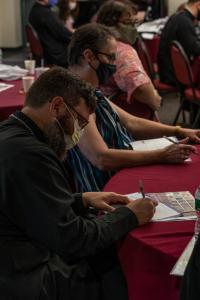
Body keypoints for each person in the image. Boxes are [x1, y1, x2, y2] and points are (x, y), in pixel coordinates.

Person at [0, 67, 157, 299]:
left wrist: (80, 200)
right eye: (80, 122)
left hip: (13, 259)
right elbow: (75, 240)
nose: (79, 132)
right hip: (25, 278)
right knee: (118, 262)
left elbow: (25, 203)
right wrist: (130, 216)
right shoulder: (33, 154)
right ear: (56, 106)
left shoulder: (11, 133)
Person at [67, 23, 200, 192]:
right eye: (110, 58)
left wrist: (178, 131)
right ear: (89, 56)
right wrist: (161, 155)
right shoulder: (74, 98)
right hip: (104, 190)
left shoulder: (90, 91)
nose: (114, 64)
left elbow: (132, 122)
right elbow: (101, 158)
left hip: (121, 169)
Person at [96, 0, 161, 118]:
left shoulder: (94, 43)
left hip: (100, 112)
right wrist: (155, 100)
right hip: (123, 117)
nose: (133, 28)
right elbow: (141, 88)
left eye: (134, 23)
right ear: (111, 23)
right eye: (128, 23)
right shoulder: (122, 51)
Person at [158, 0, 200, 86]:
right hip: (174, 76)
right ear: (198, 5)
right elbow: (195, 49)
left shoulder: (178, 16)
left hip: (167, 71)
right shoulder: (184, 21)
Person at [29, 0, 72, 67]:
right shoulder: (45, 13)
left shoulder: (34, 10)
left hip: (48, 51)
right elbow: (62, 33)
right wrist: (77, 35)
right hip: (56, 54)